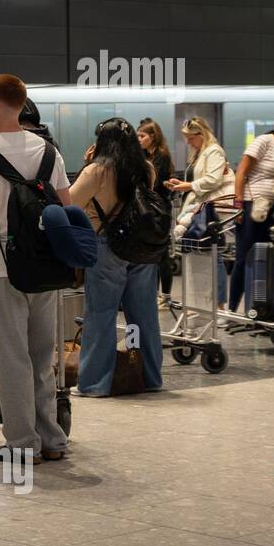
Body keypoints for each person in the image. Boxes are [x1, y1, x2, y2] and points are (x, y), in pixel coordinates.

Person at [0, 74, 72, 461]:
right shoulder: (48, 152)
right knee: (42, 356)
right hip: (46, 269)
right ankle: (52, 439)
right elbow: (66, 205)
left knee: (10, 358)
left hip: (2, 269)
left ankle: (23, 444)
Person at [70, 118, 163, 397]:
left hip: (107, 246)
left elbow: (71, 203)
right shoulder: (145, 168)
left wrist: (87, 166)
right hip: (142, 247)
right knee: (142, 316)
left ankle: (95, 384)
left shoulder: (97, 171)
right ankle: (149, 376)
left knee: (101, 315)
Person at [227, 111, 274, 313]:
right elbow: (241, 172)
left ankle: (263, 308)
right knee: (244, 257)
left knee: (271, 258)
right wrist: (238, 205)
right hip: (254, 205)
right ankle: (232, 309)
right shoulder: (264, 141)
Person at [168, 116, 232, 307]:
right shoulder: (201, 153)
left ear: (201, 134)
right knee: (209, 255)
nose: (188, 141)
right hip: (203, 206)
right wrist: (184, 185)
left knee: (214, 255)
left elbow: (213, 180)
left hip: (211, 208)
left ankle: (219, 305)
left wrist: (187, 186)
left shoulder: (214, 152)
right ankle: (208, 303)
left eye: (191, 137)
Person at [137, 119, 175, 306]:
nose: (139, 139)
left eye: (142, 136)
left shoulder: (161, 156)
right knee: (151, 252)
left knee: (162, 253)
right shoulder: (144, 155)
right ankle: (152, 293)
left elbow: (154, 183)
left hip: (160, 209)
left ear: (153, 137)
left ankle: (166, 295)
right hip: (149, 208)